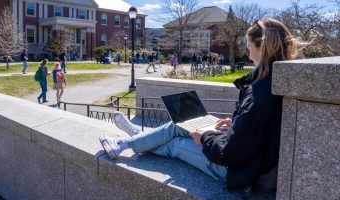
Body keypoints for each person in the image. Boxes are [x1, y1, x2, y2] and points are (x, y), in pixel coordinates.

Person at [100, 18, 299, 193]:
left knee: (175, 144)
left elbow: (228, 153)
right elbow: (258, 129)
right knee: (180, 124)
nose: (247, 52)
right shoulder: (274, 82)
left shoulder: (261, 93)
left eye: (248, 46)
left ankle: (128, 143)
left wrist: (204, 137)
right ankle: (136, 139)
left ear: (261, 47)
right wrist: (235, 125)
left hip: (238, 170)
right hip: (250, 158)